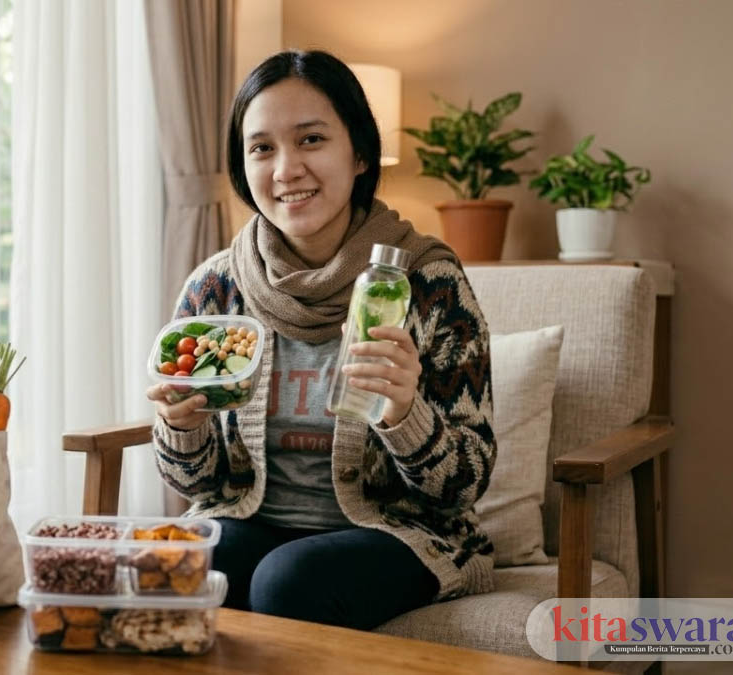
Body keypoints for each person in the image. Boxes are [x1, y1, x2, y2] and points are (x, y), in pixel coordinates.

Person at [146, 49, 497, 631]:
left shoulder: (427, 281)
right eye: (262, 148)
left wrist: (406, 413)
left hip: (400, 535)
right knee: (175, 562)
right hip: (252, 522)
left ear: (359, 152)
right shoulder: (216, 289)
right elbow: (200, 487)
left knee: (290, 579)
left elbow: (465, 484)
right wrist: (181, 430)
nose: (285, 169)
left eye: (310, 140)